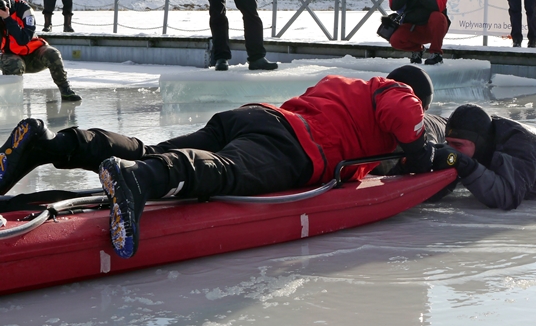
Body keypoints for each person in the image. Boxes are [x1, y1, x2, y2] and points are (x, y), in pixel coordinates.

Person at [0, 66, 437, 258]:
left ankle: (49, 145)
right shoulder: (393, 91)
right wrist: (420, 152)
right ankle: (138, 181)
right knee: (223, 172)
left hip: (256, 117)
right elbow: (404, 114)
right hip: (294, 148)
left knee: (152, 149)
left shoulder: (342, 85)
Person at [0, 0, 81, 101]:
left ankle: (66, 90)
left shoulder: (24, 9)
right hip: (12, 57)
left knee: (52, 53)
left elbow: (23, 39)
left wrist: (8, 19)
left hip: (35, 54)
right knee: (13, 63)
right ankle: (11, 98)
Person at [388, 0, 449, 65]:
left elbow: (438, 6)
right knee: (395, 40)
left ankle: (436, 53)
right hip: (414, 26)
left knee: (437, 17)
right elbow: (393, 5)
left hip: (434, 27)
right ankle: (417, 49)